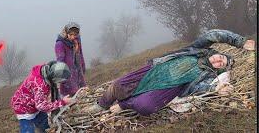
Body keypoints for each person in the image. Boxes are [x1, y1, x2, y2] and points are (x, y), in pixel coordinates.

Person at [87, 29, 255, 115]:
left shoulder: (208, 75)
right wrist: (240, 42)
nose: (218, 61)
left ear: (219, 69)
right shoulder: (198, 49)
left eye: (221, 64)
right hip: (155, 69)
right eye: (220, 57)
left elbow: (203, 87)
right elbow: (214, 34)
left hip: (170, 87)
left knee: (145, 106)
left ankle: (124, 104)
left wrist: (216, 89)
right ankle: (101, 105)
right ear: (217, 52)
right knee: (117, 85)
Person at [10, 61, 76, 133]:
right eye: (59, 81)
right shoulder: (40, 86)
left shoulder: (45, 71)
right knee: (29, 129)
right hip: (23, 107)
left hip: (33, 104)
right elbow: (41, 106)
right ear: (54, 77)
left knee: (45, 125)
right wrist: (62, 102)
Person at [55, 22, 86, 96]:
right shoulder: (60, 44)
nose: (73, 37)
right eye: (70, 35)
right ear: (66, 33)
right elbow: (60, 61)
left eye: (75, 35)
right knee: (70, 96)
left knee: (82, 93)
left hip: (77, 70)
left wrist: (83, 65)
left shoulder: (77, 40)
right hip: (67, 73)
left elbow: (80, 54)